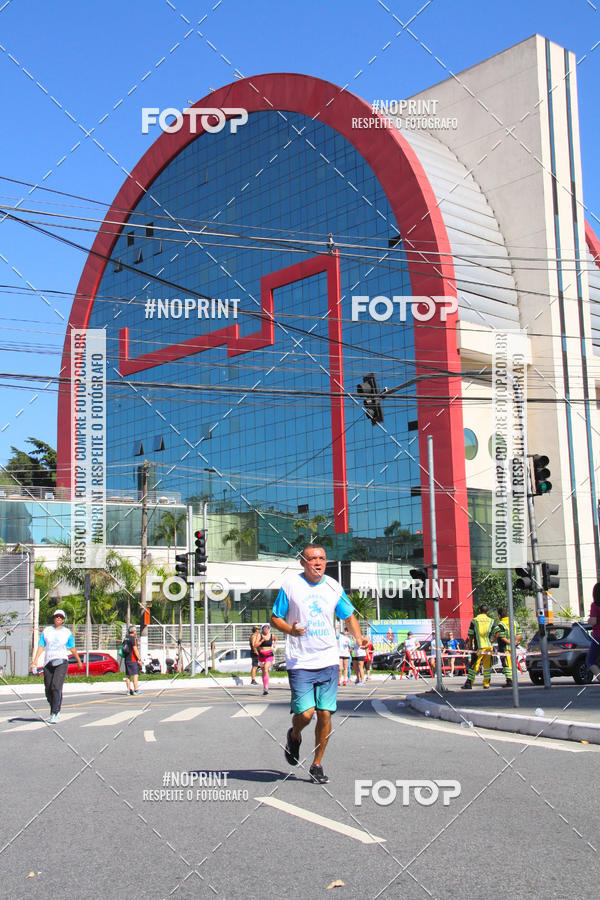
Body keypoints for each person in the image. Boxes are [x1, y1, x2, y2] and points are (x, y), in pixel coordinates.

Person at [271, 544, 368, 784]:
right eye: (313, 558)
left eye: (322, 558)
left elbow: (349, 616)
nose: (318, 562)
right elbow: (275, 618)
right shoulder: (291, 585)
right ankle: (295, 735)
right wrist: (291, 630)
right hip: (300, 660)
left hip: (328, 659)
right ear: (303, 562)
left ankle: (317, 764)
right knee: (305, 714)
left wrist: (359, 638)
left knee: (325, 714)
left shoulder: (333, 586)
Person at [31, 609, 83, 723]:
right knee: (48, 689)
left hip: (61, 662)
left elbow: (72, 647)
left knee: (56, 687)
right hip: (48, 662)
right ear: (54, 618)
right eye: (57, 616)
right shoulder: (47, 631)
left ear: (63, 620)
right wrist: (35, 661)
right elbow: (41, 646)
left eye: (61, 617)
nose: (58, 618)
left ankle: (55, 712)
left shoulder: (67, 632)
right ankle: (54, 705)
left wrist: (79, 660)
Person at [462, 604, 496, 689]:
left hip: (479, 647)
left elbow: (470, 634)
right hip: (488, 647)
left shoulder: (475, 620)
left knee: (474, 665)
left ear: (479, 611)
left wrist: (470, 645)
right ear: (487, 612)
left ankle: (469, 683)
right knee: (487, 666)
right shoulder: (491, 620)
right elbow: (498, 631)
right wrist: (493, 640)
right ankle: (486, 684)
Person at [493, 607, 522, 687]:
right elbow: (519, 633)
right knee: (512, 664)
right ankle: (514, 680)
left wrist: (510, 643)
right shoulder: (514, 622)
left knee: (506, 665)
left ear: (499, 615)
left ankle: (509, 681)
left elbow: (502, 636)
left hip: (504, 648)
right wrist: (515, 642)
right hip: (513, 649)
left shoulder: (500, 624)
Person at [256, 624, 277, 695]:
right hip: (261, 655)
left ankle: (266, 687)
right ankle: (265, 687)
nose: (266, 629)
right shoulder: (259, 636)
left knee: (265, 668)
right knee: (263, 671)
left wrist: (274, 644)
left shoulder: (272, 635)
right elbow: (255, 645)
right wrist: (262, 641)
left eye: (267, 628)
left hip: (269, 654)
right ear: (262, 629)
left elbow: (275, 639)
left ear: (269, 629)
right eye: (264, 628)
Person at [586, 582, 600, 682]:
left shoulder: (595, 605)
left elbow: (593, 621)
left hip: (598, 636)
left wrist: (589, 620)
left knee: (590, 660)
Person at [123, 626, 142, 695]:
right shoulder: (133, 639)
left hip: (126, 659)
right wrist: (139, 659)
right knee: (135, 675)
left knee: (128, 675)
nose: (136, 632)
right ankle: (136, 690)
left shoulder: (126, 638)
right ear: (133, 631)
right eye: (135, 630)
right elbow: (135, 650)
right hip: (132, 659)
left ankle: (128, 691)